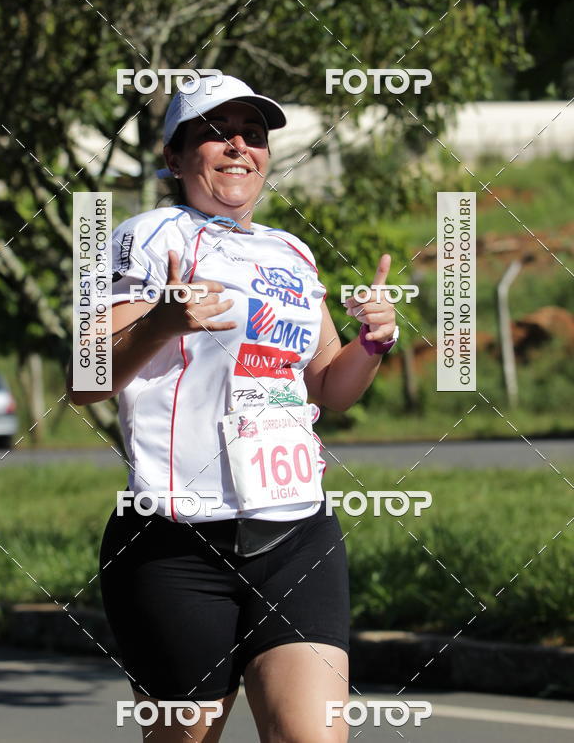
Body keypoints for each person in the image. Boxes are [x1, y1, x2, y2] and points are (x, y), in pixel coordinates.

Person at [68, 74, 397, 742]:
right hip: (177, 543)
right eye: (217, 134)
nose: (239, 147)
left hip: (295, 532)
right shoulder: (150, 237)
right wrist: (162, 321)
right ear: (175, 156)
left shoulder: (292, 255)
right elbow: (84, 377)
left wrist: (373, 341)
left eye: (253, 135)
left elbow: (328, 386)